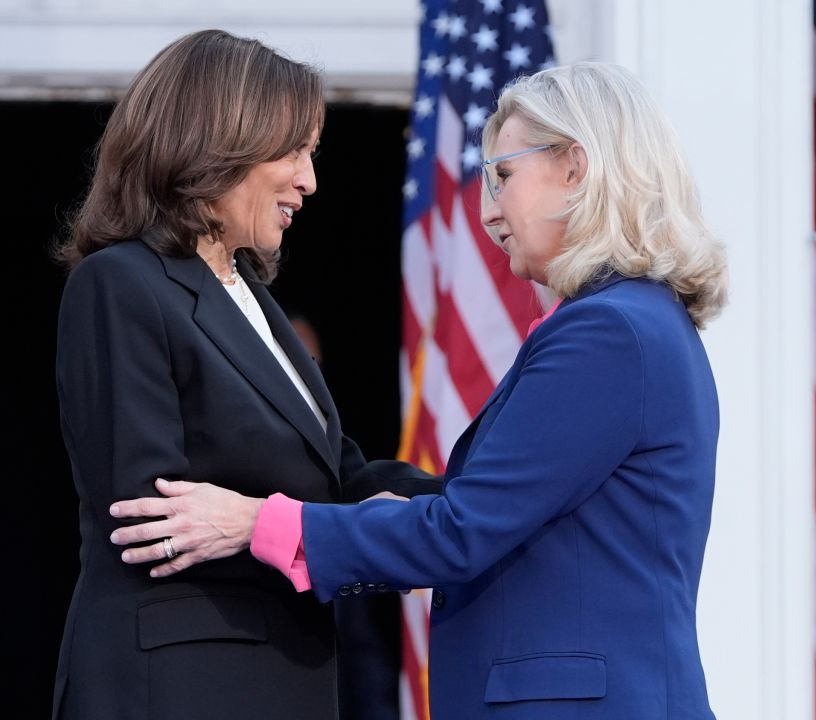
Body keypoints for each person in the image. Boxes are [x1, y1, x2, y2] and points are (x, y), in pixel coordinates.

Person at [111, 61, 728, 718]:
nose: (489, 211)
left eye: (503, 175)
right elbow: (511, 509)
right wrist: (386, 510)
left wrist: (254, 522)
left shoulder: (609, 332)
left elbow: (463, 532)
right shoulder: (638, 323)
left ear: (575, 168)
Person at [51, 29, 438, 720]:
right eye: (294, 151)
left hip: (274, 675)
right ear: (218, 140)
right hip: (180, 682)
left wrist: (470, 503)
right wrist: (323, 533)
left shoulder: (251, 297)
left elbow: (338, 474)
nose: (309, 180)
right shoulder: (122, 283)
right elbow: (154, 518)